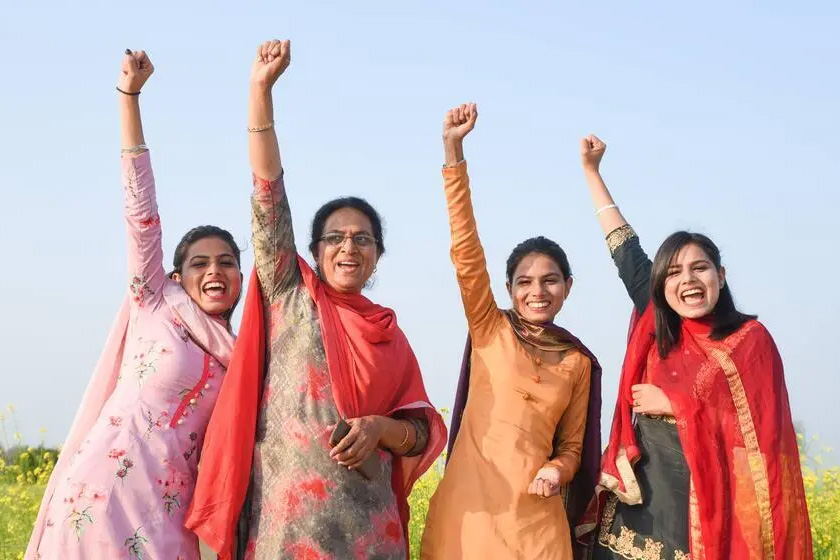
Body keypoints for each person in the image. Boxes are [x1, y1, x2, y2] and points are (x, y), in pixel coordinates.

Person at [186, 39, 446, 560]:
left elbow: (418, 434)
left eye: (363, 238)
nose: (349, 246)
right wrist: (260, 92)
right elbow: (267, 196)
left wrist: (379, 428)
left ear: (377, 255)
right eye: (335, 237)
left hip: (372, 531)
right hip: (288, 524)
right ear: (313, 250)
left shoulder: (389, 334)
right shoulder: (289, 294)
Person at [26, 50, 242, 560]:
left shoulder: (245, 353)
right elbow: (140, 208)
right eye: (200, 263)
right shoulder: (154, 303)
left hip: (171, 518)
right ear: (175, 275)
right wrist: (130, 97)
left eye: (227, 262)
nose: (214, 271)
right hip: (100, 497)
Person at [578, 135, 813, 559]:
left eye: (699, 268)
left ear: (720, 276)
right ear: (661, 285)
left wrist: (675, 404)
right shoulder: (657, 320)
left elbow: (764, 438)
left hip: (704, 509)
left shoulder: (748, 342)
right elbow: (624, 248)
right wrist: (593, 172)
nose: (687, 279)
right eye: (674, 272)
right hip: (636, 505)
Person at [420, 103, 601, 560]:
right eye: (524, 282)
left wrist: (557, 471)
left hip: (537, 524)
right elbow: (466, 252)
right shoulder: (490, 328)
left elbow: (573, 448)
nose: (537, 291)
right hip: (470, 517)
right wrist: (453, 151)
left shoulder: (577, 361)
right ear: (508, 289)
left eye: (549, 280)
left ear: (568, 287)